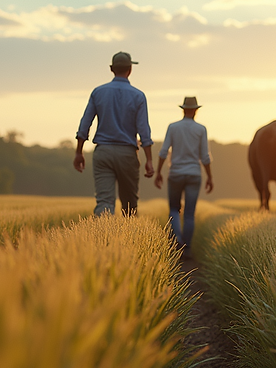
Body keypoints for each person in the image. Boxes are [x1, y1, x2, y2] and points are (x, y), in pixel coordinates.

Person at [74, 51, 155, 216]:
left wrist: (79, 152)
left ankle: (101, 240)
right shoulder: (138, 96)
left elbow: (85, 124)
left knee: (104, 202)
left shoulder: (98, 92)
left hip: (103, 153)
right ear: (130, 69)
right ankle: (128, 240)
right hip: (127, 154)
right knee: (130, 205)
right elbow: (144, 131)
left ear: (112, 69)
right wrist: (149, 160)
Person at [155, 96, 213, 258]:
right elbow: (205, 157)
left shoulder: (173, 127)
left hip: (175, 174)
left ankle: (177, 239)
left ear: (183, 109)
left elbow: (163, 151)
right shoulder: (201, 129)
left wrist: (159, 172)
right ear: (195, 110)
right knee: (189, 213)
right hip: (194, 174)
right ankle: (186, 248)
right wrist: (209, 177)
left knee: (174, 209)